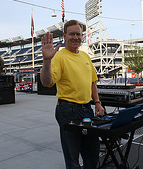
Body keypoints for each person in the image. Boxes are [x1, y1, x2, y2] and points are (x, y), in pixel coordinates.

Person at [40, 20, 105, 169]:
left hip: (87, 109)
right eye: (72, 34)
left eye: (78, 34)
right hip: (68, 111)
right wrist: (46, 61)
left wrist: (97, 102)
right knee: (73, 160)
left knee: (93, 154)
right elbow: (46, 81)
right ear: (64, 36)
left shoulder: (85, 56)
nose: (75, 37)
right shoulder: (59, 56)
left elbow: (92, 82)